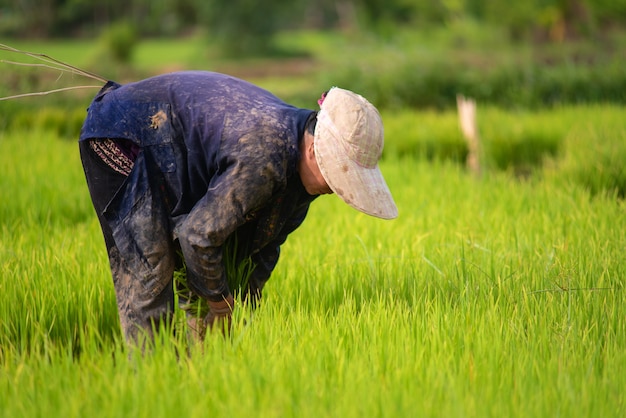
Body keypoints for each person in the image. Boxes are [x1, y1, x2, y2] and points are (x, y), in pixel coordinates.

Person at [79, 71, 398, 345]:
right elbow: (199, 236)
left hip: (178, 155)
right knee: (152, 274)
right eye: (337, 175)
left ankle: (195, 372)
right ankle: (155, 385)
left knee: (212, 273)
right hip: (129, 135)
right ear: (315, 150)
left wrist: (241, 311)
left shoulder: (300, 181)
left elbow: (262, 247)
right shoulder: (265, 153)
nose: (336, 190)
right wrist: (220, 303)